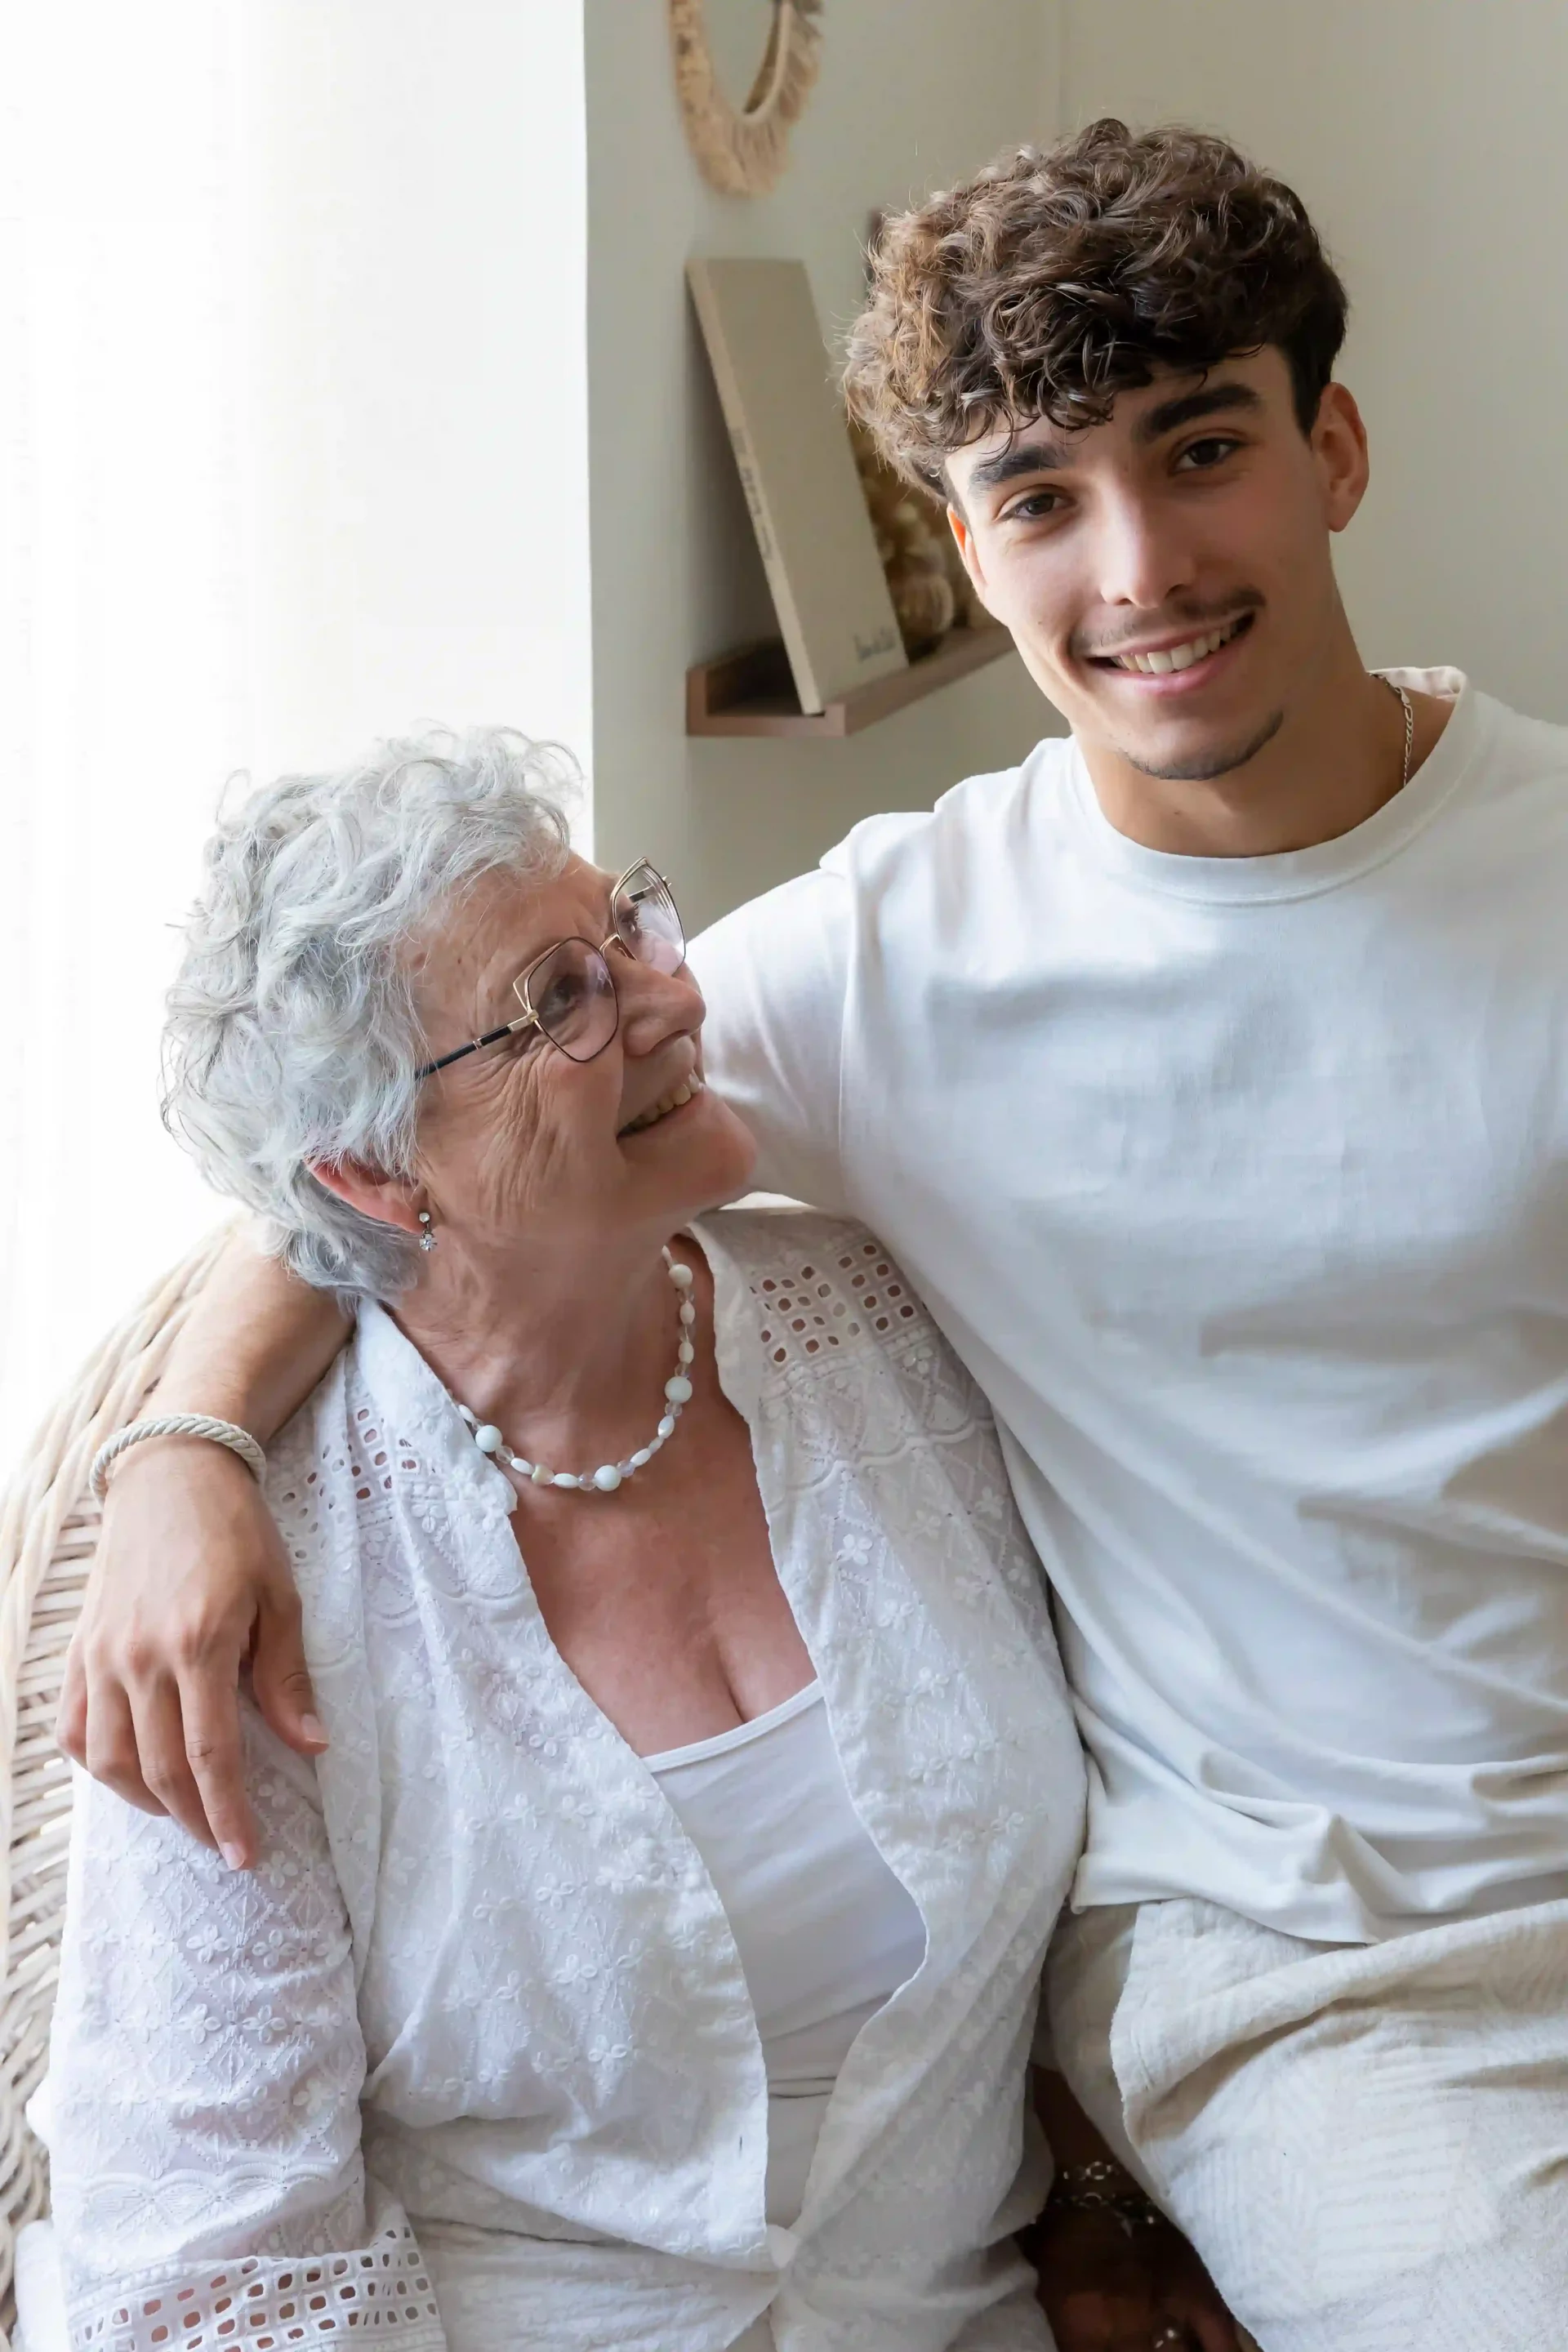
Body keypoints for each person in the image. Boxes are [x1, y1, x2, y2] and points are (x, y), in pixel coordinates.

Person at [59, 114, 1568, 2350]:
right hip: (1312, 1963)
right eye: (1040, 498)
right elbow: (387, 1167)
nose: (1140, 567)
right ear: (970, 550)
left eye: (1203, 449)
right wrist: (184, 1448)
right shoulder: (899, 961)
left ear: (1332, 450)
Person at [33, 733, 1240, 2352]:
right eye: (559, 1001)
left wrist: (1105, 2185)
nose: (671, 998)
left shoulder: (884, 1333)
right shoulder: (253, 1600)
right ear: (376, 1173)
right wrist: (181, 1445)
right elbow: (216, 2243)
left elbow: (1106, 1845)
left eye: (631, 926)